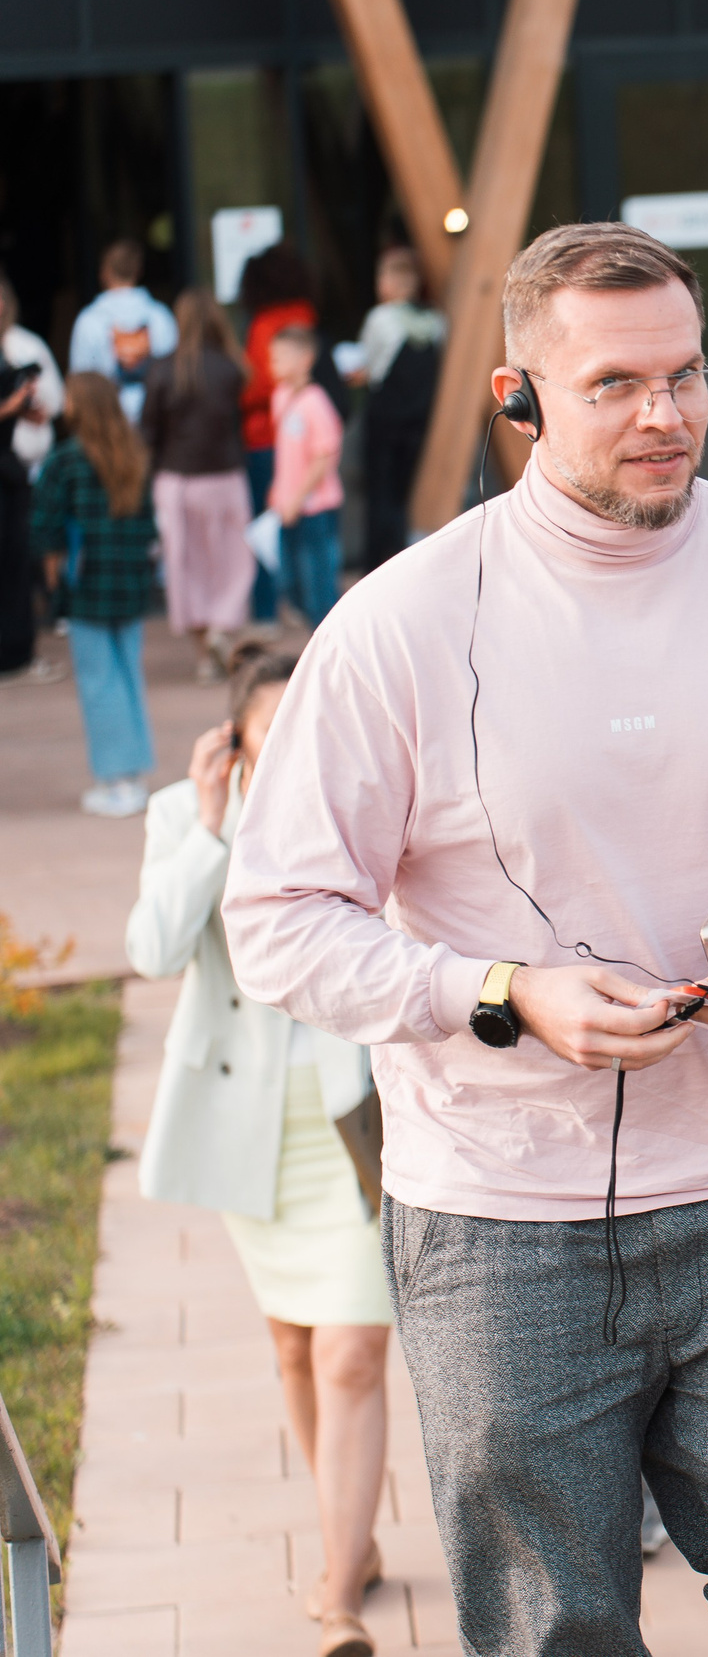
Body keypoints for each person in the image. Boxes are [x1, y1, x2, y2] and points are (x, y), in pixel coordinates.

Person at [221, 221, 708, 1655]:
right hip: (498, 1211)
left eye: (689, 376)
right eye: (619, 383)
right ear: (518, 394)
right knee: (547, 1622)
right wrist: (499, 990)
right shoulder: (397, 623)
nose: (666, 415)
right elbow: (277, 919)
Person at [127, 646, 393, 1657]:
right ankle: (351, 1538)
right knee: (292, 1343)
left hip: (349, 1124)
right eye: (262, 737)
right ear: (231, 745)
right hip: (250, 1128)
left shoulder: (366, 811)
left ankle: (336, 1594)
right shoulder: (182, 817)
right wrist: (204, 832)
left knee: (353, 1349)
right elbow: (152, 950)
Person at [33, 373, 158, 817]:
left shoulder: (66, 459)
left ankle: (114, 779)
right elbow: (150, 523)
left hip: (86, 586)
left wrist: (51, 583)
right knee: (127, 678)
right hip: (131, 582)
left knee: (98, 683)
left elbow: (45, 526)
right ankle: (135, 774)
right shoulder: (135, 455)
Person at [143, 287, 256, 677]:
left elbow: (148, 430)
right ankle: (222, 626)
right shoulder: (232, 367)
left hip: (177, 478)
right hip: (225, 475)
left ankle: (203, 655)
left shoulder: (161, 367)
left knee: (184, 565)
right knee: (230, 561)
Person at [237, 243, 318, 628]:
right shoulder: (306, 314)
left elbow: (254, 387)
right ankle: (306, 605)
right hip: (307, 442)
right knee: (309, 533)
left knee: (267, 527)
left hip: (266, 438)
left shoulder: (263, 324)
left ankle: (268, 610)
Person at [353, 246, 444, 571]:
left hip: (384, 417)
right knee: (407, 492)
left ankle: (377, 564)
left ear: (390, 281)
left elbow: (370, 367)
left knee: (380, 493)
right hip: (419, 418)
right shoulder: (435, 322)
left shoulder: (380, 318)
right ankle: (404, 560)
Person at [0, 268, 59, 681]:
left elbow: (53, 403)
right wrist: (12, 405)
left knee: (18, 561)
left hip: (13, 470)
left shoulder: (21, 345)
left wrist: (28, 407)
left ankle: (18, 650)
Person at [265, 324, 345, 626]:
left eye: (280, 358)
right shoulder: (280, 397)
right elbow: (284, 452)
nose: (273, 365)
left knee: (320, 585)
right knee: (293, 583)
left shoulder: (316, 401)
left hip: (316, 508)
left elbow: (323, 456)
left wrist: (297, 498)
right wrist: (279, 491)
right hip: (289, 508)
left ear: (305, 359)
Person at [67, 237, 177, 422]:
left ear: (104, 272)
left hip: (107, 427)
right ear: (138, 271)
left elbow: (80, 385)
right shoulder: (161, 317)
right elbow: (176, 376)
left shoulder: (88, 321)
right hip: (157, 423)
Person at [2, 265, 64, 473]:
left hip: (31, 464)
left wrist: (33, 403)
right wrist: (11, 408)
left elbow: (56, 401)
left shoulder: (28, 345)